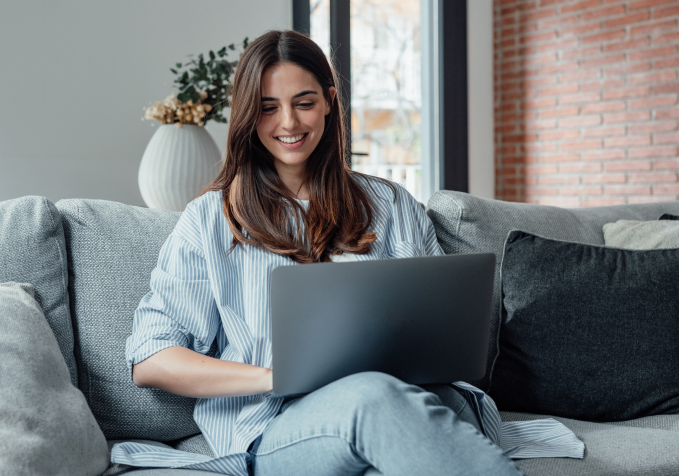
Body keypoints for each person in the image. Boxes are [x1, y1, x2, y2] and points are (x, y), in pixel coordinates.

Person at [120, 30, 523, 476]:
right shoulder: (210, 220)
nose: (288, 123)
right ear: (248, 115)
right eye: (268, 107)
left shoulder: (391, 205)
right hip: (281, 425)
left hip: (414, 401)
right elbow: (152, 358)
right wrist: (275, 377)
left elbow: (444, 331)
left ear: (330, 101)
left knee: (414, 415)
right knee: (372, 397)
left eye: (304, 102)